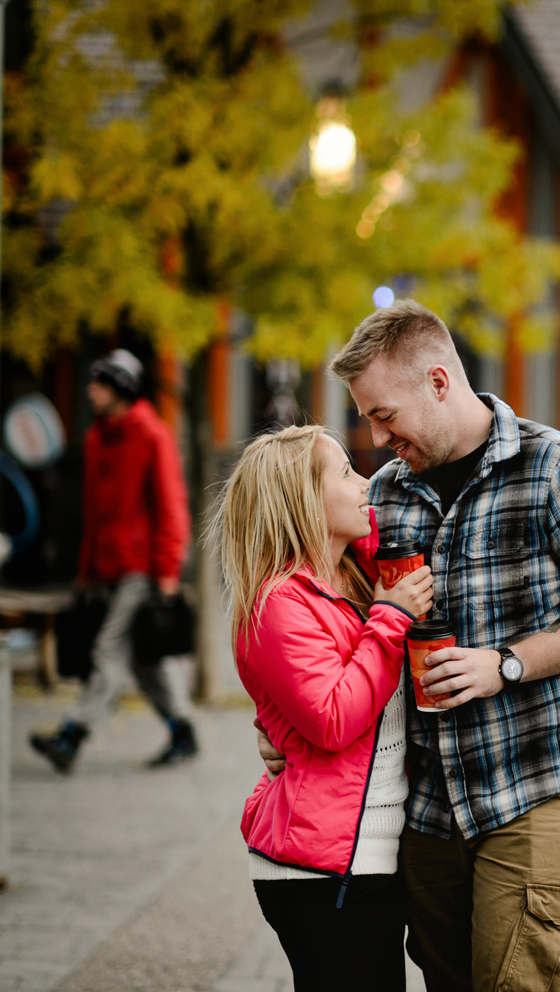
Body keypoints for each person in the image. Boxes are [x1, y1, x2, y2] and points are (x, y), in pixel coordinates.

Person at [258, 299, 560, 991]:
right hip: (429, 804)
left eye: (385, 415)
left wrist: (506, 665)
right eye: (367, 419)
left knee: (516, 982)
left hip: (538, 776)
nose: (377, 437)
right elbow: (338, 629)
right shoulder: (384, 495)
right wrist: (285, 723)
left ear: (439, 383)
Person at [213, 424, 434, 991]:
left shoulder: (352, 578)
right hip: (321, 867)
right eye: (346, 473)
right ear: (303, 500)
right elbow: (333, 719)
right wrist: (391, 618)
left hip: (367, 856)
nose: (367, 485)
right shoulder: (278, 602)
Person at [30, 349, 197, 772]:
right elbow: (93, 513)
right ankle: (183, 731)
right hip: (108, 566)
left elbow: (171, 505)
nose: (91, 391)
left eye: (100, 384)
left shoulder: (152, 435)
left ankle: (71, 736)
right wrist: (86, 570)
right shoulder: (96, 438)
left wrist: (167, 572)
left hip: (142, 566)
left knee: (109, 647)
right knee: (142, 658)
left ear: (121, 389)